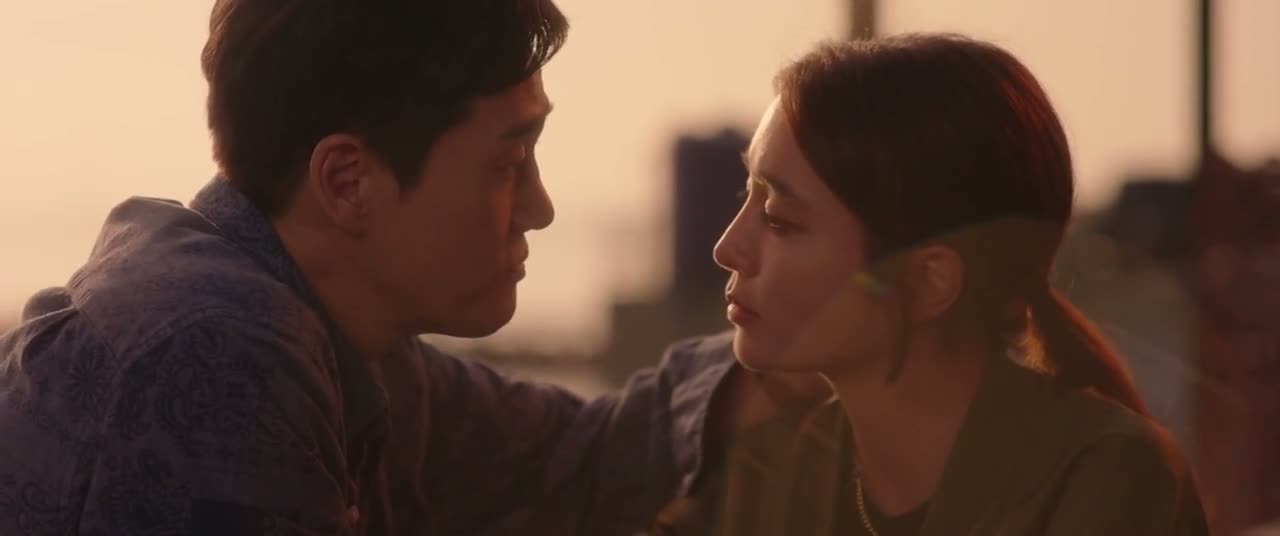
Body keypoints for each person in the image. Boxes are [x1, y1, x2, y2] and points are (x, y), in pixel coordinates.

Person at [0, 2, 814, 534]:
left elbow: (575, 457)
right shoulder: (216, 362)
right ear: (348, 182)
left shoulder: (345, 345)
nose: (539, 208)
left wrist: (807, 334)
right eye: (509, 163)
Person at [650, 34, 1210, 535]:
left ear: (929, 280)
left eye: (779, 219)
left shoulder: (1107, 481)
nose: (727, 247)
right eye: (745, 195)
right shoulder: (774, 473)